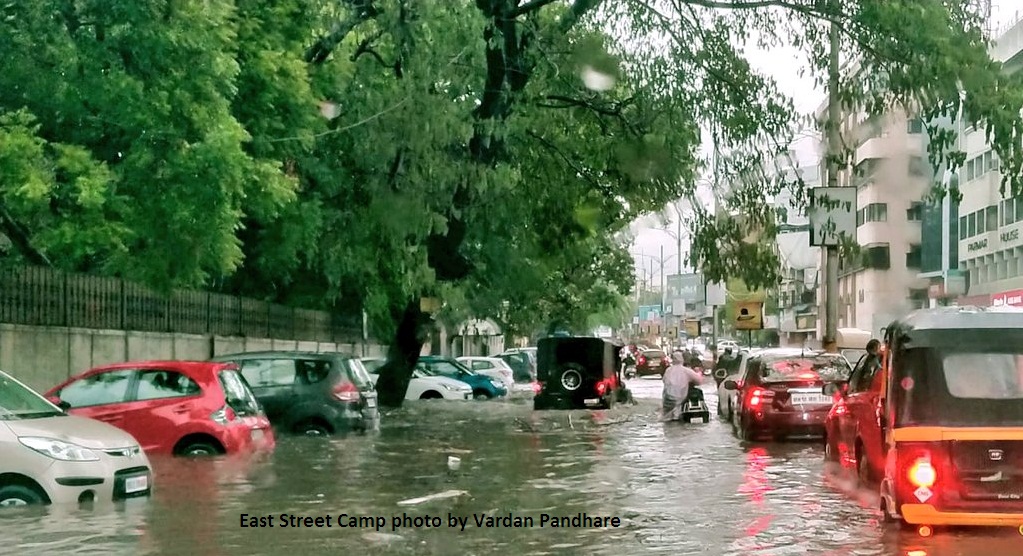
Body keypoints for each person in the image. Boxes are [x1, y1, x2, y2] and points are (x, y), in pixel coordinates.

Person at [662, 351, 703, 421]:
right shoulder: (686, 371)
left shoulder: (668, 370)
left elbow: (664, 380)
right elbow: (699, 381)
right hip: (680, 398)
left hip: (667, 399)